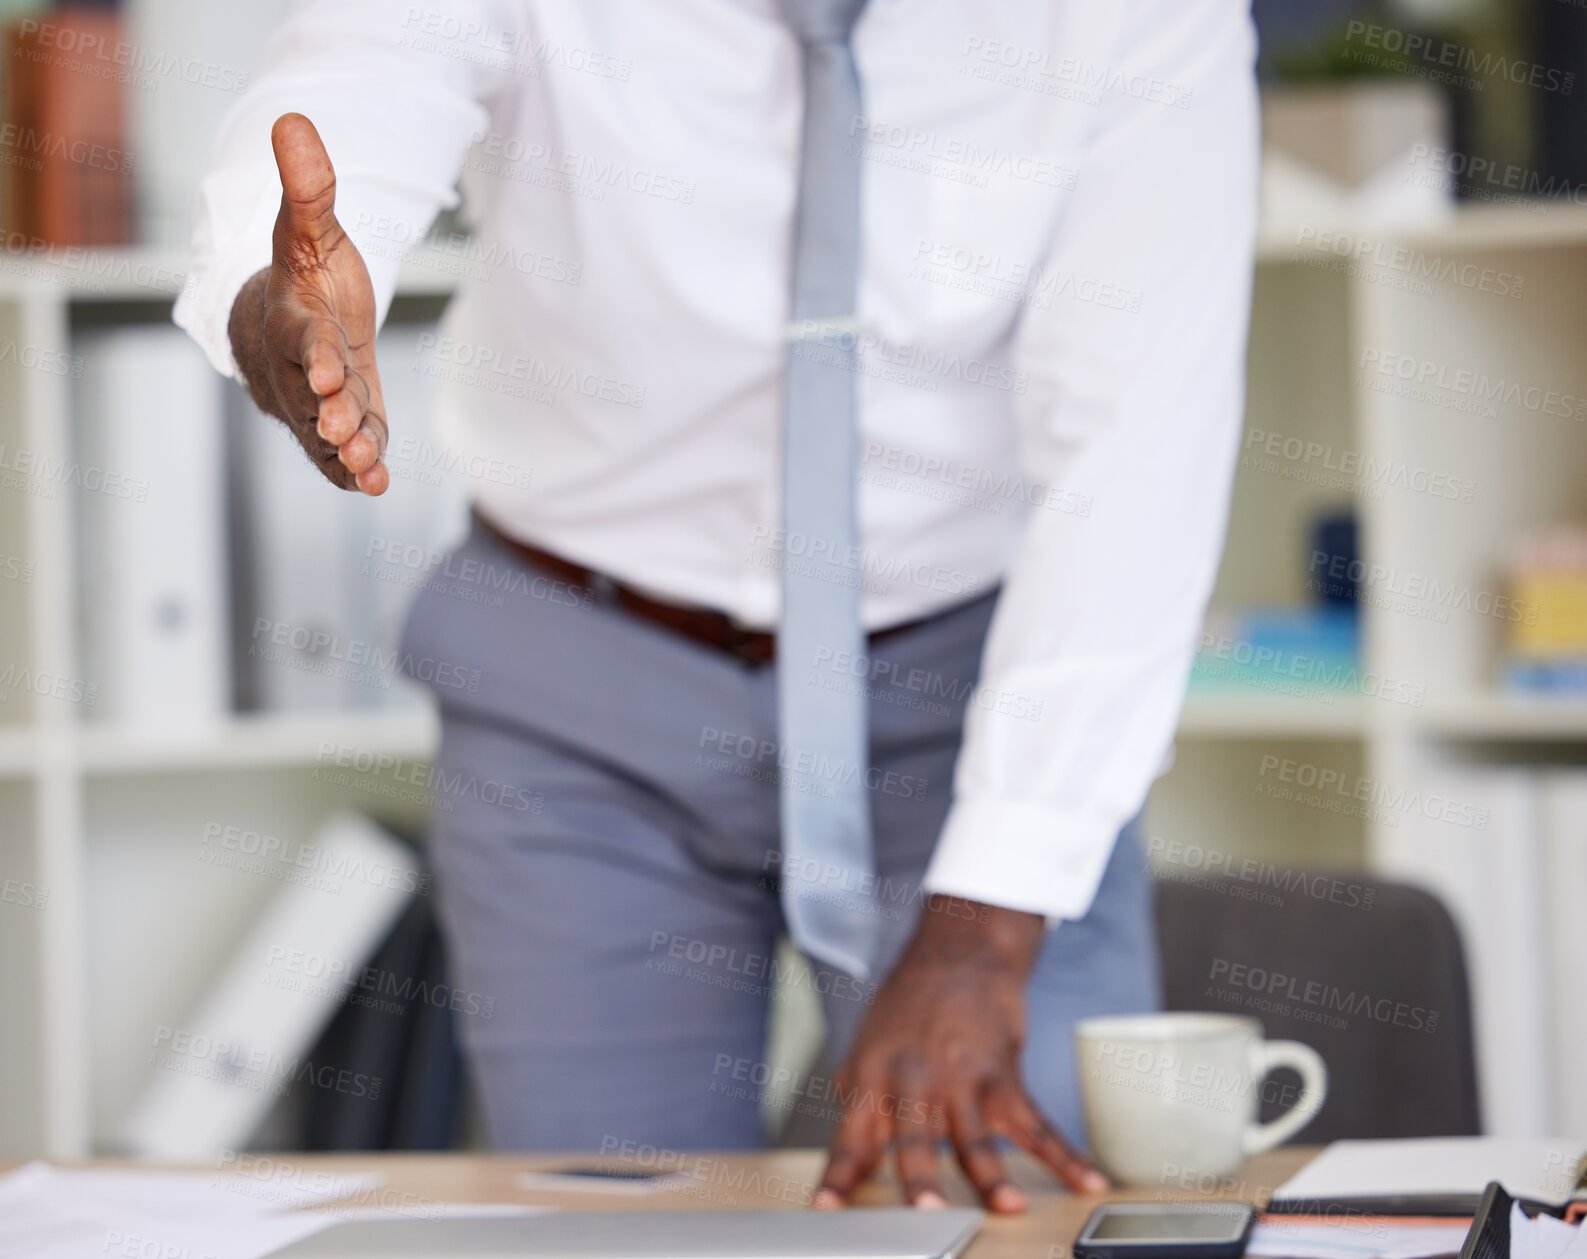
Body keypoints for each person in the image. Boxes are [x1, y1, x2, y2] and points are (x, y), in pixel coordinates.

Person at [177, 0, 1258, 1213]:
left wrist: (986, 931)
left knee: (1024, 1207)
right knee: (615, 1224)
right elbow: (359, 84)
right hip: (578, 681)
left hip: (958, 692)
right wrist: (276, 296)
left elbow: (1135, 466)